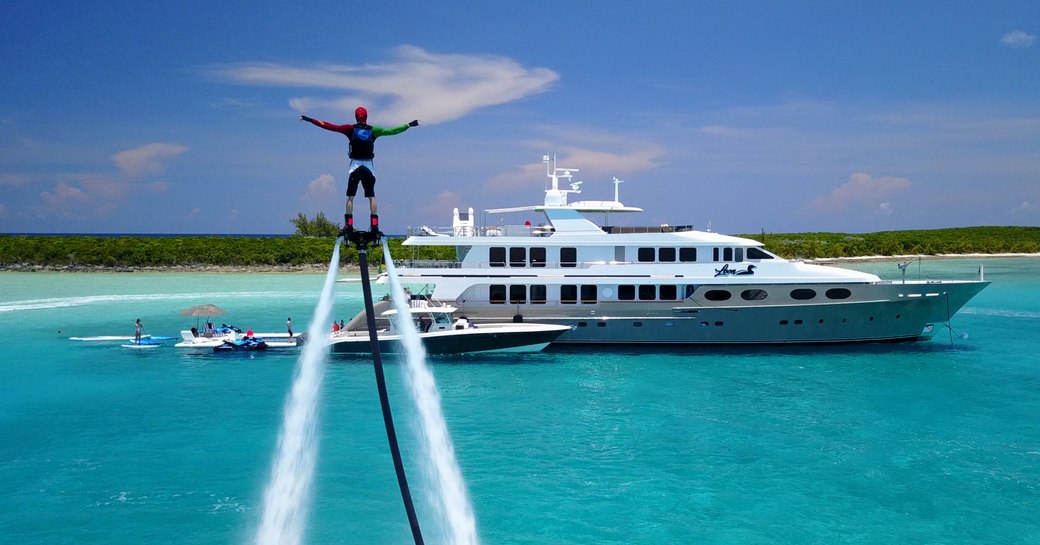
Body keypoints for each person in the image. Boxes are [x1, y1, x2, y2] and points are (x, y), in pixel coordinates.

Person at [299, 107, 419, 237]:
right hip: (368, 166)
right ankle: (374, 226)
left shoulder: (350, 129)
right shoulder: (374, 130)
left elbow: (328, 126)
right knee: (371, 196)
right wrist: (409, 124)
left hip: (355, 165)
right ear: (366, 117)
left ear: (356, 117)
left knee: (351, 196)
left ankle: (349, 225)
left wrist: (309, 119)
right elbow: (393, 131)